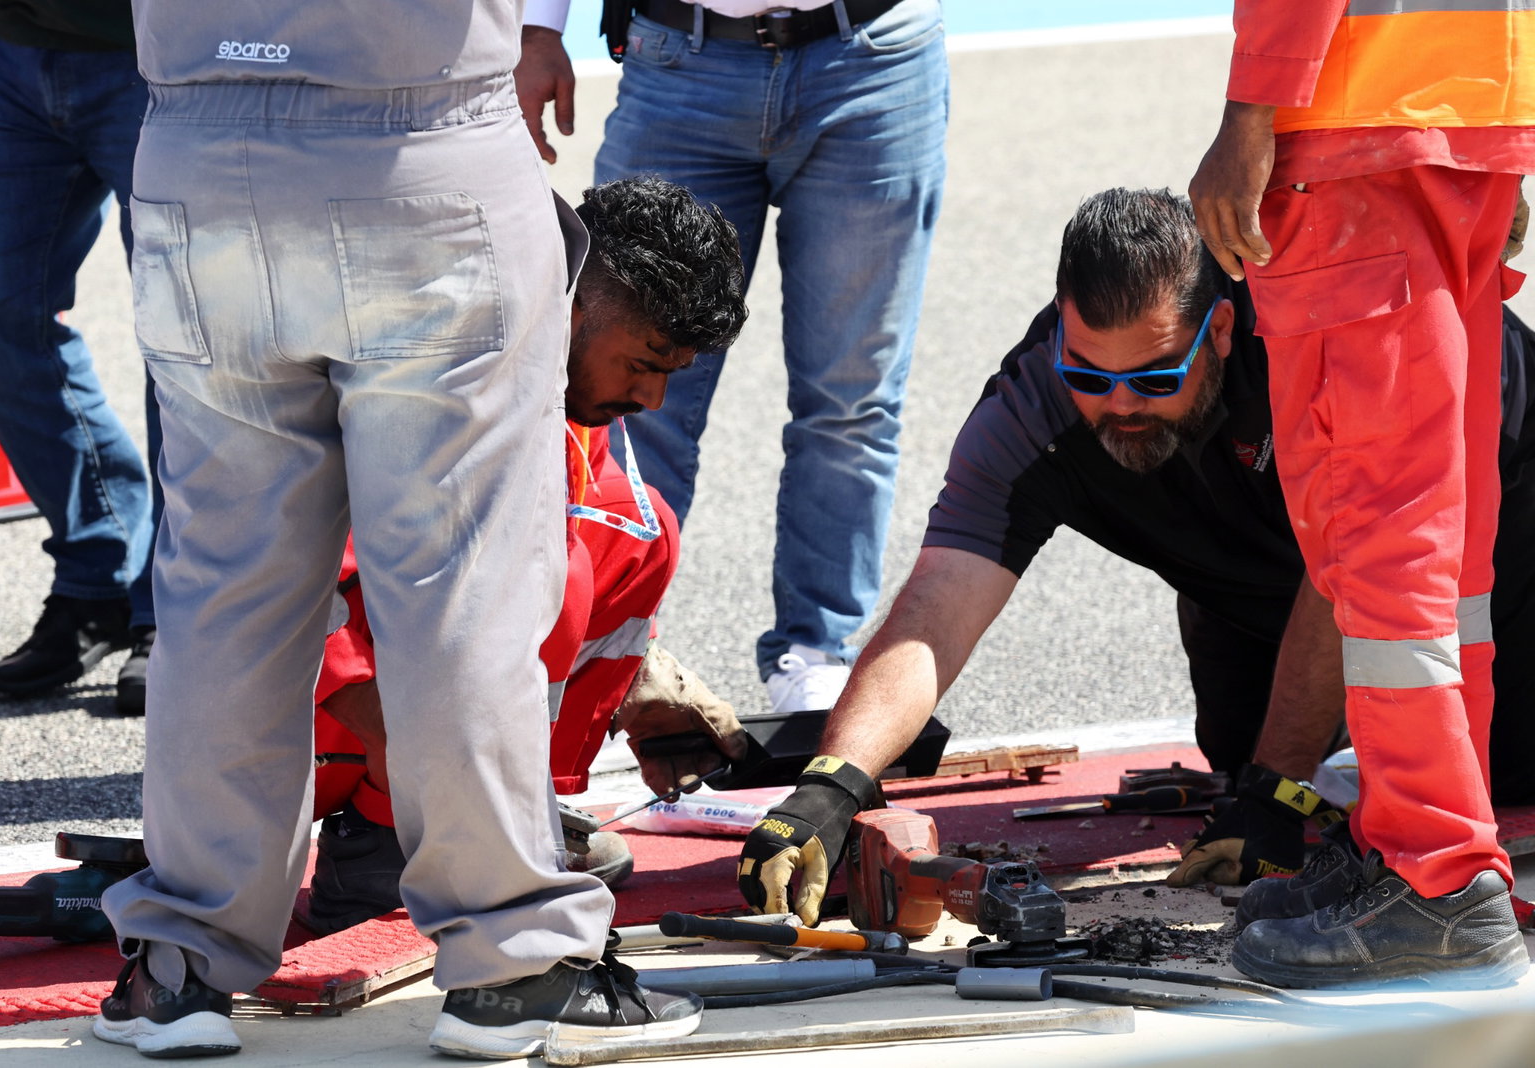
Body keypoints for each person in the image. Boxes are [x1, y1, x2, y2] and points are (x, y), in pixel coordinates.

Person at [93, 7, 701, 1061]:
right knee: (457, 586)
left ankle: (179, 962)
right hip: (419, 134)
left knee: (226, 591)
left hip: (199, 139)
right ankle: (510, 964)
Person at [731, 189, 1535, 963]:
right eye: (1089, 375)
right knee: (1239, 768)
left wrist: (1281, 789)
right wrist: (833, 784)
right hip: (1277, 578)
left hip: (1488, 561)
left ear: (1218, 332)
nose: (1119, 404)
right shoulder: (1032, 406)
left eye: (1153, 380)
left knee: (1486, 767)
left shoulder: (1303, 347)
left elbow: (1361, 565)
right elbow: (938, 605)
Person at [1187, 0, 1533, 988]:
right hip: (1468, 111)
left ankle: (1435, 872)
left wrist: (1251, 114)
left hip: (1353, 133)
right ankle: (1431, 843)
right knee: (1441, 535)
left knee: (1378, 522)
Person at [306, 176, 750, 933]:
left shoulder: (552, 381)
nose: (652, 401)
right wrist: (449, 793)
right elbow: (307, 581)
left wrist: (639, 688)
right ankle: (388, 839)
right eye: (642, 363)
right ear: (570, 306)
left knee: (638, 534)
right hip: (277, 706)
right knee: (565, 567)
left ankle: (505, 806)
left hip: (407, 716)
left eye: (669, 373)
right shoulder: (432, 374)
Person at [516, 0, 949, 716]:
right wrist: (538, 27)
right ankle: (599, 648)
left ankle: (816, 654)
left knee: (851, 399)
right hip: (681, 58)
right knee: (620, 393)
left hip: (874, 58)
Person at [0, 0, 159, 713]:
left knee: (186, 341)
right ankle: (100, 569)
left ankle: (176, 612)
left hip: (166, 55)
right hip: (9, 43)